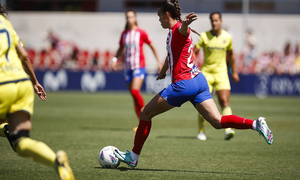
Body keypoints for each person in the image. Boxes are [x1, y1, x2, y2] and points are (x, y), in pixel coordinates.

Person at [113, 0, 273, 168]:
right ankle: (256, 124)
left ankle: (133, 156)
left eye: (159, 16)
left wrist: (185, 24)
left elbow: (182, 31)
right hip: (199, 81)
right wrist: (164, 70)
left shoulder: (179, 29)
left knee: (145, 113)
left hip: (184, 84)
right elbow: (172, 53)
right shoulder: (172, 31)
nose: (159, 19)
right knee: (218, 122)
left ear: (167, 15)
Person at [0, 6, 74, 180]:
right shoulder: (6, 24)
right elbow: (24, 56)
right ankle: (56, 161)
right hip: (21, 83)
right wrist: (35, 82)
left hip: (2, 83)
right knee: (21, 141)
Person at [111, 10, 162, 131]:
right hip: (127, 68)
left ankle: (145, 114)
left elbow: (152, 46)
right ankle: (141, 123)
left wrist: (158, 62)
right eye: (127, 17)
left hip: (139, 66)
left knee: (135, 91)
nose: (129, 19)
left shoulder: (141, 32)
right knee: (134, 96)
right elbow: (120, 48)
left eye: (131, 17)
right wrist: (115, 59)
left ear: (135, 18)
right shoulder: (124, 34)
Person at [193, 11, 240, 141]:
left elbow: (231, 56)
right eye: (212, 21)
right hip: (206, 74)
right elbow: (194, 52)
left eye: (216, 20)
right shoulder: (204, 36)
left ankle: (228, 129)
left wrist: (235, 72)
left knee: (224, 102)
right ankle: (201, 131)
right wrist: (191, 66)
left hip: (221, 74)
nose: (214, 23)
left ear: (221, 21)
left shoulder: (227, 37)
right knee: (203, 104)